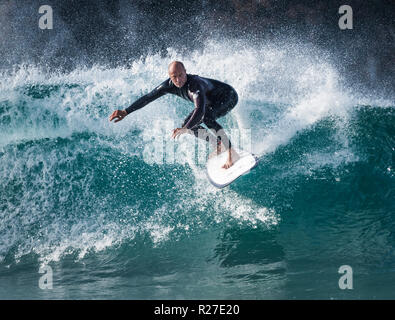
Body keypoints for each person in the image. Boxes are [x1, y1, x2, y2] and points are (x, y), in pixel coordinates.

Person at [109, 61, 239, 168]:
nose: (178, 80)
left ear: (185, 72)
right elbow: (148, 97)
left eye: (181, 75)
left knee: (205, 118)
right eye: (174, 77)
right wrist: (126, 111)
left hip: (228, 96)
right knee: (189, 125)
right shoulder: (168, 86)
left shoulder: (194, 85)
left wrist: (185, 128)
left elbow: (199, 109)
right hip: (210, 102)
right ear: (170, 77)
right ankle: (218, 144)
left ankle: (230, 151)